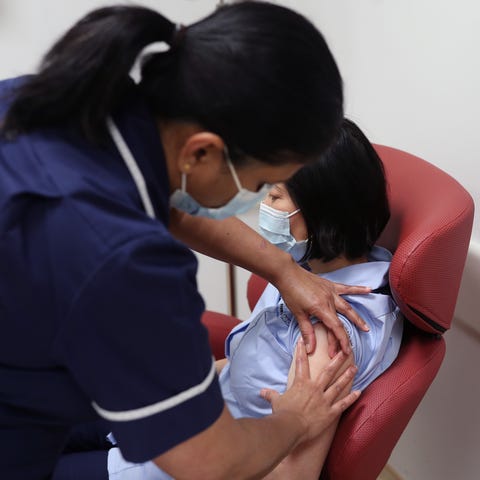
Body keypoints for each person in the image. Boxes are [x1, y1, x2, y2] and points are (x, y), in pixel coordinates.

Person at [0, 3, 369, 479]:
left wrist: (281, 269)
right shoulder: (124, 259)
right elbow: (212, 462)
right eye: (261, 186)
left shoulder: (52, 103)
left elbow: (162, 198)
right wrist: (298, 418)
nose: (254, 201)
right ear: (203, 151)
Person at [52, 119, 404, 480]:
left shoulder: (331, 332)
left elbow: (292, 475)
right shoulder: (307, 272)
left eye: (274, 194)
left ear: (321, 213)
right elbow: (249, 367)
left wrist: (293, 421)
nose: (262, 202)